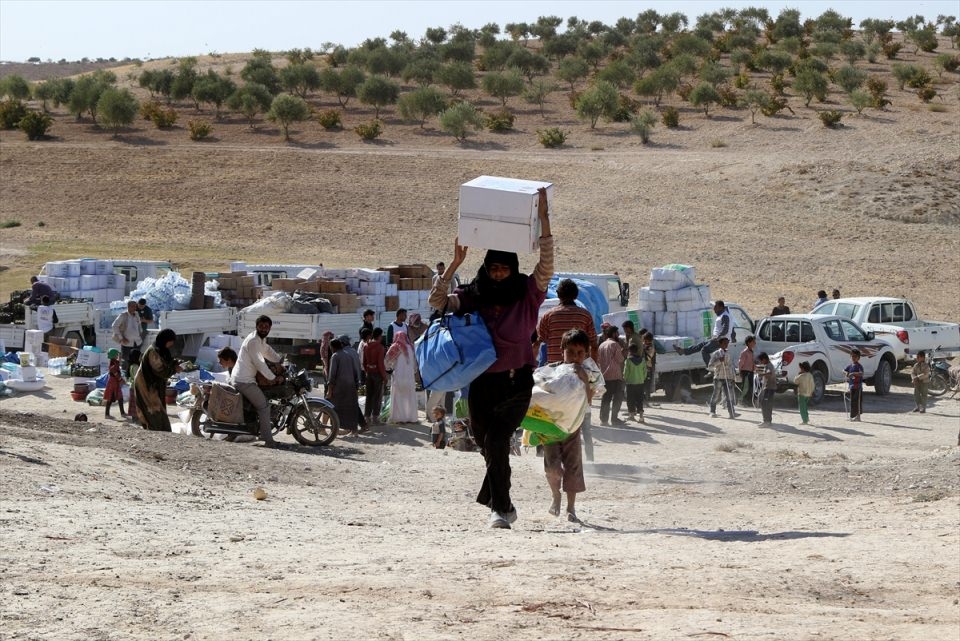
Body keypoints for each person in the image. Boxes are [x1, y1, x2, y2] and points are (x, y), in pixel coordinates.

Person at [428, 185, 553, 530]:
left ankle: (500, 509)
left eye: (504, 269)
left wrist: (543, 218)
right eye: (493, 268)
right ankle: (502, 502)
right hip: (481, 383)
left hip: (516, 382)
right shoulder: (472, 296)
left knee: (497, 441)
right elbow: (437, 303)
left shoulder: (528, 294)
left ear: (513, 269)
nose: (498, 274)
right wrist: (454, 264)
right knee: (486, 444)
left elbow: (546, 263)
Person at [535, 278, 599, 458]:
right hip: (580, 373)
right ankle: (588, 457)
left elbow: (539, 342)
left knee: (549, 412)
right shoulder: (585, 315)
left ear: (558, 295)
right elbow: (593, 344)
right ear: (576, 296)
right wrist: (593, 370)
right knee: (582, 414)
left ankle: (543, 451)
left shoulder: (549, 315)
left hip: (555, 373)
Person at [543, 329, 599, 523]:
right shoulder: (551, 370)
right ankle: (555, 495)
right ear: (562, 351)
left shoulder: (590, 373)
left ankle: (571, 507)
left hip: (573, 427)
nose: (575, 357)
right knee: (552, 467)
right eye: (570, 352)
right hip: (551, 426)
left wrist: (583, 378)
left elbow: (589, 399)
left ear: (586, 354)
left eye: (580, 353)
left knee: (573, 467)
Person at [233, 315, 285, 446]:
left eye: (266, 327)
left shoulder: (260, 340)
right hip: (243, 381)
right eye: (261, 326)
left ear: (270, 328)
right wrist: (273, 378)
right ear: (256, 326)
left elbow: (267, 351)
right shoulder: (253, 342)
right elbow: (260, 364)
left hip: (247, 379)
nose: (264, 329)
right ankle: (268, 440)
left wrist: (280, 361)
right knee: (264, 407)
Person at [133, 329, 181, 431]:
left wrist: (175, 363)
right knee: (152, 412)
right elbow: (161, 370)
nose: (171, 344)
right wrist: (174, 369)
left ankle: (161, 432)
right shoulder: (153, 352)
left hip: (154, 387)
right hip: (146, 387)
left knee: (159, 412)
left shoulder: (161, 350)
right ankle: (155, 434)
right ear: (165, 340)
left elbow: (166, 363)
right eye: (170, 341)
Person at [674, 300, 734, 366]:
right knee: (701, 345)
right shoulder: (723, 315)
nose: (714, 309)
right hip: (717, 339)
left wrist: (718, 337)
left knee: (704, 350)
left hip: (720, 340)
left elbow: (725, 329)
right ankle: (683, 351)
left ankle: (711, 367)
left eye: (715, 307)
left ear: (721, 307)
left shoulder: (724, 316)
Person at [327, 338, 361, 436]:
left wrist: (330, 390)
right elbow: (355, 372)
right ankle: (354, 430)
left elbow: (332, 375)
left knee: (335, 408)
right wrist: (356, 385)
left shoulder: (335, 356)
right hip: (351, 385)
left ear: (333, 347)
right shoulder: (348, 355)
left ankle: (335, 428)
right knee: (351, 408)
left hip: (340, 387)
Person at [385, 330, 418, 423]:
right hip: (410, 377)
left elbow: (386, 362)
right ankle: (411, 418)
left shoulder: (395, 347)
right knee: (410, 398)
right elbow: (415, 365)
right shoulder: (411, 347)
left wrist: (391, 367)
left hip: (399, 376)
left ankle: (399, 418)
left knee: (398, 397)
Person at [597, 325, 626, 427]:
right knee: (617, 398)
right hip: (615, 376)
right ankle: (614, 419)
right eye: (617, 333)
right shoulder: (615, 345)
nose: (618, 335)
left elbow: (599, 361)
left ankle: (604, 420)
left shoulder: (601, 345)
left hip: (605, 376)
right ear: (614, 334)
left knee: (606, 398)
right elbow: (620, 359)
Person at [338, 334, 367, 430]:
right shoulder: (353, 351)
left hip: (348, 383)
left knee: (350, 406)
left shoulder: (344, 353)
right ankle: (362, 425)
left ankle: (354, 427)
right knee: (354, 404)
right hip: (355, 381)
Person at [362, 327, 387, 426]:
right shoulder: (380, 347)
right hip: (377, 374)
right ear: (379, 336)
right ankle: (375, 418)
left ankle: (367, 417)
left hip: (369, 373)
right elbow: (380, 364)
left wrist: (368, 370)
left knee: (369, 396)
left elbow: (364, 362)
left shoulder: (366, 346)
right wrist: (384, 376)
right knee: (377, 397)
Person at [707, 337, 736, 419]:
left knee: (729, 396)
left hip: (728, 377)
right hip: (718, 377)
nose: (726, 345)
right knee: (716, 395)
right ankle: (712, 411)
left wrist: (733, 377)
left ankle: (732, 412)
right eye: (724, 343)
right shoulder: (716, 354)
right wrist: (719, 361)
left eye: (727, 343)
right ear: (720, 344)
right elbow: (710, 366)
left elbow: (731, 366)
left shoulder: (729, 353)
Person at [112, 300, 144, 372]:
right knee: (126, 362)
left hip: (137, 342)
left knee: (136, 361)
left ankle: (135, 376)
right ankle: (125, 377)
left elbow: (139, 325)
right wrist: (121, 338)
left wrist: (140, 333)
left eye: (135, 306)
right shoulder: (123, 315)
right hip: (127, 343)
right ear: (128, 307)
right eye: (133, 307)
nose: (134, 308)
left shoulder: (136, 314)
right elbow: (114, 326)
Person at [623, 343, 647, 424]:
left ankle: (632, 415)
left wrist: (625, 379)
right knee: (639, 399)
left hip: (630, 383)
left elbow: (626, 372)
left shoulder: (628, 361)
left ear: (629, 351)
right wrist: (642, 379)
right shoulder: (642, 360)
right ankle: (641, 417)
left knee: (630, 399)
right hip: (640, 383)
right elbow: (645, 372)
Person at [103, 348, 126, 419]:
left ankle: (122, 413)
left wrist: (120, 356)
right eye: (116, 355)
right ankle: (107, 414)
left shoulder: (114, 361)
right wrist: (120, 379)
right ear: (114, 356)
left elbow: (118, 362)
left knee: (120, 397)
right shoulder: (113, 363)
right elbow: (113, 370)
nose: (117, 356)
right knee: (110, 397)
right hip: (113, 382)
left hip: (115, 382)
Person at [756, 352, 776, 426]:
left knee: (765, 404)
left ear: (764, 359)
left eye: (761, 361)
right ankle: (768, 420)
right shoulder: (768, 365)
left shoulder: (769, 366)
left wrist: (762, 374)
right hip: (769, 387)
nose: (761, 362)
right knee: (767, 404)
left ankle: (766, 421)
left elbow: (769, 373)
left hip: (769, 387)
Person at [844, 348, 864, 421]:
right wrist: (847, 373)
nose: (853, 358)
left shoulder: (859, 366)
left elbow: (861, 373)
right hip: (852, 387)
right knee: (852, 402)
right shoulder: (850, 366)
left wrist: (853, 373)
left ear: (858, 357)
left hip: (858, 387)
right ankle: (853, 416)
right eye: (852, 356)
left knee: (857, 402)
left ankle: (858, 417)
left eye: (855, 356)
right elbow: (844, 370)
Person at [738, 335, 756, 406]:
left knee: (750, 387)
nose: (755, 343)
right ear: (749, 343)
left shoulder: (751, 352)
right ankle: (741, 401)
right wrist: (740, 371)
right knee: (745, 387)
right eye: (753, 342)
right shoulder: (744, 352)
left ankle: (748, 401)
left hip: (751, 371)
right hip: (746, 372)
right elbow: (740, 363)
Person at [127, 348, 142, 422]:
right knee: (136, 402)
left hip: (132, 386)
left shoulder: (131, 365)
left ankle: (134, 418)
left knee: (133, 402)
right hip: (136, 386)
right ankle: (135, 418)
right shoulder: (136, 366)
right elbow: (137, 377)